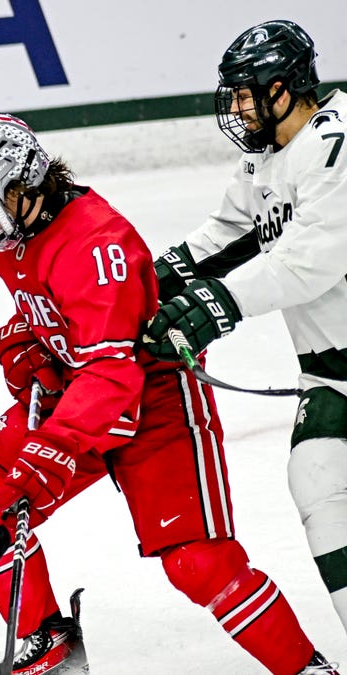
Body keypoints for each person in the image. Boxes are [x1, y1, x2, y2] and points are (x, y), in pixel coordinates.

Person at [0, 113, 336, 674]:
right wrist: (25, 339)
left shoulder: (96, 241)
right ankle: (46, 640)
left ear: (24, 184)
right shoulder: (15, 228)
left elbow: (114, 374)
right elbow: (54, 308)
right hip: (83, 393)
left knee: (198, 563)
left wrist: (54, 446)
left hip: (155, 397)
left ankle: (307, 669)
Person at [143, 19, 347, 643]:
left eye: (245, 94)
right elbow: (227, 238)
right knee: (315, 476)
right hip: (330, 372)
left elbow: (312, 258)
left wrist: (216, 305)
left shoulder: (335, 144)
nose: (235, 109)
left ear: (284, 90)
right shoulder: (265, 157)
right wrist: (144, 288)